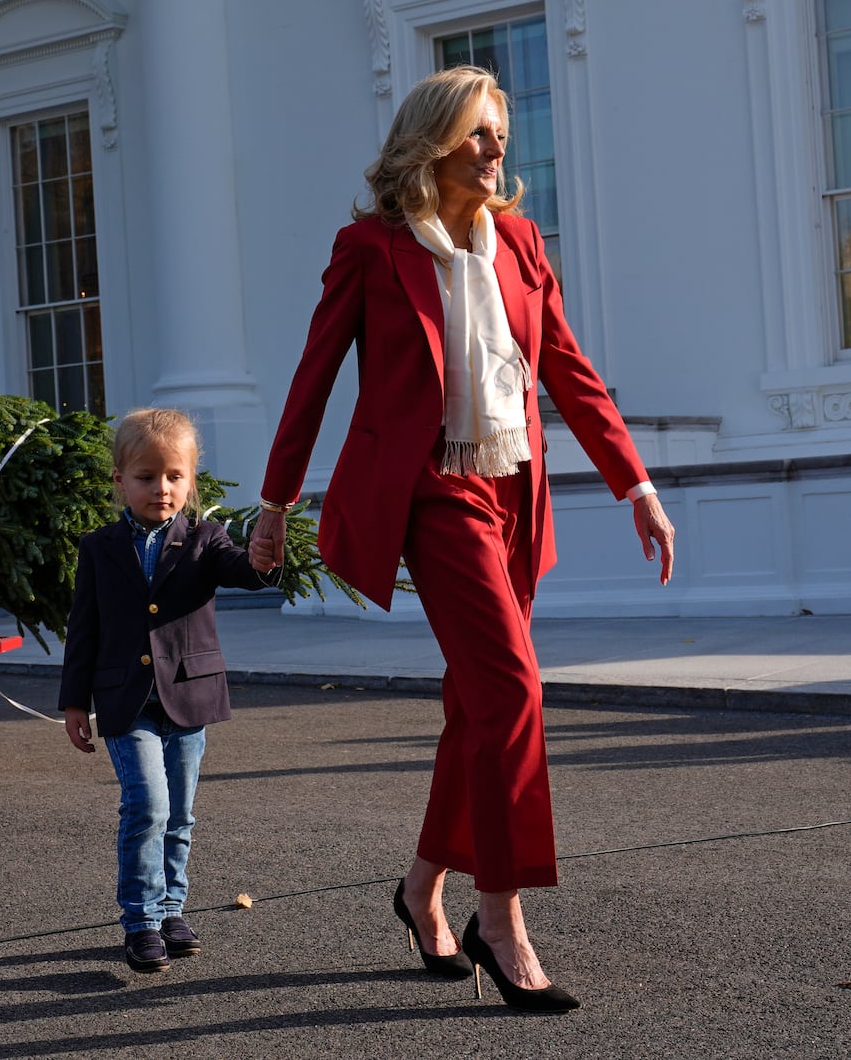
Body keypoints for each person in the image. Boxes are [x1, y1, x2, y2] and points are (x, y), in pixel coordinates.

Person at [250, 65, 675, 1012]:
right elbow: (313, 380)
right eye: (480, 134)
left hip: (514, 489)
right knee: (512, 688)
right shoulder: (370, 248)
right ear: (433, 141)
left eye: (500, 138)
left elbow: (566, 367)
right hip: (435, 492)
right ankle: (502, 916)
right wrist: (277, 502)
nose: (497, 152)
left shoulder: (520, 242)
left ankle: (419, 887)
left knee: (476, 706)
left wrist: (634, 484)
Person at [60, 407, 277, 973]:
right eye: (146, 477)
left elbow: (245, 572)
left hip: (188, 700)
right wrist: (73, 701)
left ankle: (172, 909)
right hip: (125, 701)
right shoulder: (99, 547)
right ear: (119, 481)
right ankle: (140, 919)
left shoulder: (208, 539)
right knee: (147, 806)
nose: (162, 488)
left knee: (180, 814)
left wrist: (263, 555)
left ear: (190, 481)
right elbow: (83, 629)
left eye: (174, 476)